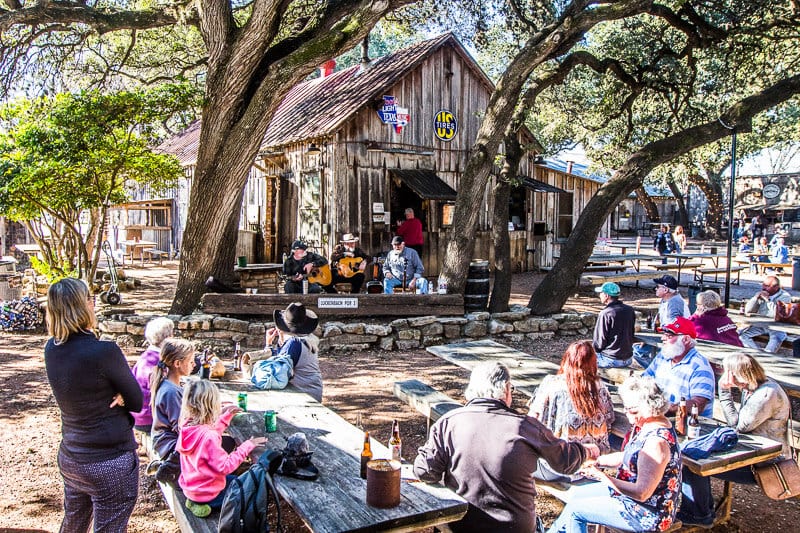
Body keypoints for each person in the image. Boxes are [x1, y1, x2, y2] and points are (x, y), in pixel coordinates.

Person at [413, 361, 598, 532]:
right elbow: (565, 461)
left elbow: (424, 471)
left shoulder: (448, 423)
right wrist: (586, 451)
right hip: (513, 526)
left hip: (463, 523)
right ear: (506, 390)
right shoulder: (526, 426)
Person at [44, 278, 143, 532]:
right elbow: (137, 401)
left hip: (71, 456)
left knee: (73, 525)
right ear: (83, 305)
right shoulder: (104, 351)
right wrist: (120, 394)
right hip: (109, 461)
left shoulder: (51, 349)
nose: (93, 302)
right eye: (90, 298)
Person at [547, 376, 681, 533]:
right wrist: (597, 461)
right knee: (576, 495)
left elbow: (642, 493)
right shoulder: (648, 425)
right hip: (630, 499)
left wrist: (601, 477)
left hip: (646, 512)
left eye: (632, 410)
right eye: (626, 408)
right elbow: (628, 456)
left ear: (650, 408)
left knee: (576, 511)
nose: (627, 414)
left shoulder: (656, 443)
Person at [678, 353, 791, 526]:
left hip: (765, 463)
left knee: (692, 461)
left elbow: (738, 426)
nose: (725, 375)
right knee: (694, 451)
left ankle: (699, 515)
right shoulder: (754, 388)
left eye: (727, 372)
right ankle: (704, 508)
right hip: (750, 450)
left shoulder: (767, 394)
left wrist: (723, 391)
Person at [177, 379, 267, 517]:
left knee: (234, 479)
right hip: (209, 493)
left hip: (192, 488)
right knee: (248, 488)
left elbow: (208, 437)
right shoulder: (209, 436)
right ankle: (207, 506)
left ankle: (194, 502)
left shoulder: (187, 426)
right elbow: (225, 466)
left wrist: (226, 417)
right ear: (211, 405)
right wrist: (248, 445)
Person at [528, 341, 615, 482]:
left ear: (567, 359)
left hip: (559, 466)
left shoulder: (552, 384)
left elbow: (532, 420)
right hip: (594, 463)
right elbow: (610, 418)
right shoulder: (601, 387)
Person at [642, 317, 715, 417]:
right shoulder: (663, 356)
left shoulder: (700, 367)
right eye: (664, 335)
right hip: (660, 416)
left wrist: (665, 408)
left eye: (669, 336)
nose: (663, 338)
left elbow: (698, 404)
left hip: (689, 424)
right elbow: (644, 379)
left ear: (686, 340)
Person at [147, 338, 197, 481]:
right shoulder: (171, 392)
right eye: (191, 361)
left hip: (165, 442)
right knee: (219, 445)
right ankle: (172, 466)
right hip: (169, 446)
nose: (194, 364)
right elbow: (182, 428)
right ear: (177, 363)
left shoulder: (170, 385)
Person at [266, 302, 323, 402]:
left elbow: (275, 372)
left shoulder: (294, 343)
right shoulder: (307, 340)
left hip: (303, 395)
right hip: (312, 392)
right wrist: (277, 343)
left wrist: (268, 346)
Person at [130, 316, 175, 434]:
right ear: (168, 337)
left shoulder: (145, 357)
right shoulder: (159, 361)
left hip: (136, 416)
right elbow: (166, 396)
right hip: (149, 419)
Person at [634, 275, 689, 367]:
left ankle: (657, 370)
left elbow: (674, 327)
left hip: (677, 341)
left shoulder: (674, 302)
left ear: (666, 290)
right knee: (637, 349)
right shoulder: (665, 300)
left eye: (657, 287)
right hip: (665, 336)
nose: (655, 289)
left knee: (638, 351)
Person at [739, 275, 792, 352]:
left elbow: (778, 312)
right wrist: (755, 298)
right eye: (763, 285)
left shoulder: (785, 296)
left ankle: (767, 356)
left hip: (777, 326)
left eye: (767, 286)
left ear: (776, 287)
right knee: (742, 335)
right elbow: (748, 310)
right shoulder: (761, 293)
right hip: (761, 324)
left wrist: (767, 300)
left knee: (777, 338)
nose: (763, 288)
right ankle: (756, 353)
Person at [592, 282, 636, 368]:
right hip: (628, 358)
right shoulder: (630, 310)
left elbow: (599, 342)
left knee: (583, 361)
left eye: (601, 293)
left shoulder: (605, 313)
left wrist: (593, 351)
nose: (599, 295)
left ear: (606, 296)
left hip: (610, 359)